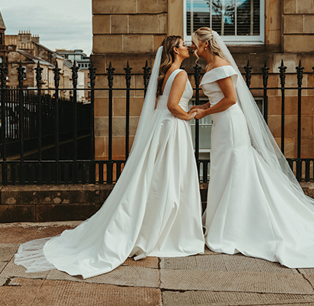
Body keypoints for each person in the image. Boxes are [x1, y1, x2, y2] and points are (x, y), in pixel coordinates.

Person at [15, 37, 205, 278]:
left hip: (164, 127)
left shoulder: (167, 73)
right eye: (182, 43)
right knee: (169, 178)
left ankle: (158, 227)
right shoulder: (179, 75)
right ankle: (168, 232)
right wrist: (190, 116)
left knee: (159, 178)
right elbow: (173, 105)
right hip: (174, 127)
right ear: (174, 50)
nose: (188, 46)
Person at [189, 27, 314, 268]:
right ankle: (224, 220)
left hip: (230, 124)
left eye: (194, 43)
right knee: (224, 169)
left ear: (205, 45)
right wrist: (200, 108)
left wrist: (205, 112)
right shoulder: (210, 66)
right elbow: (217, 97)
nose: (193, 47)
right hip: (221, 125)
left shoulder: (220, 65)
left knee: (235, 168)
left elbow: (231, 99)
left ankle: (238, 224)